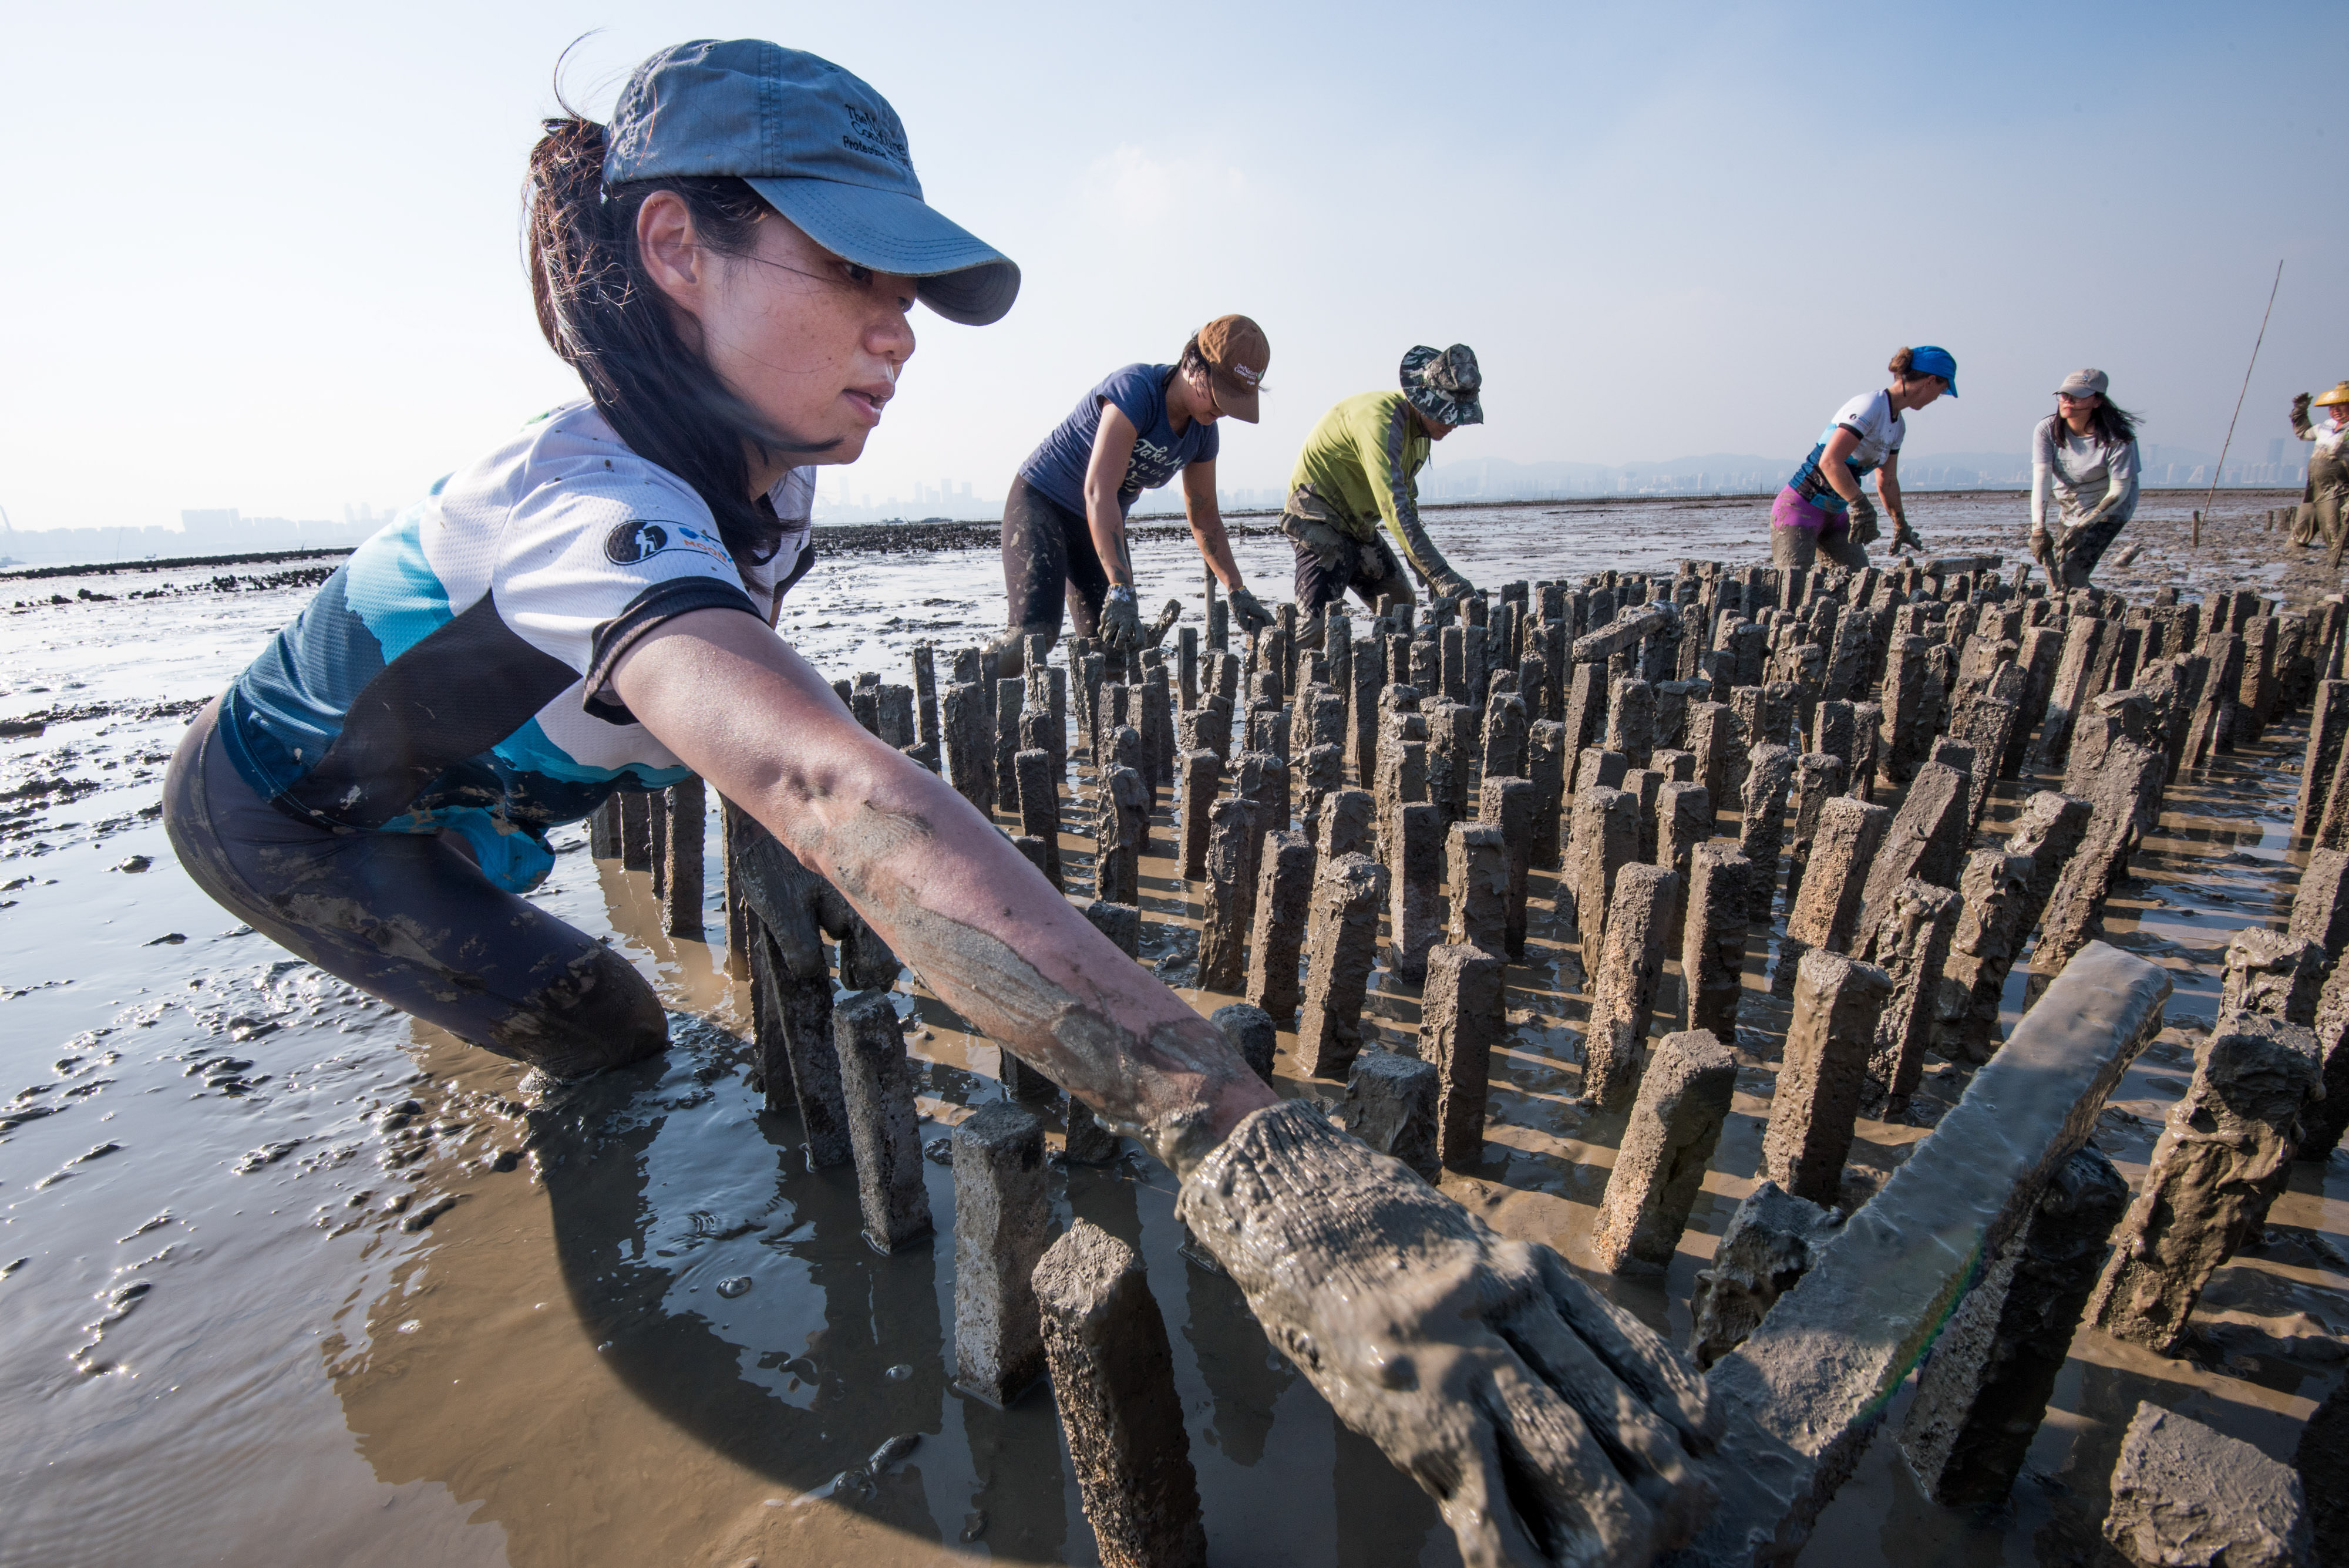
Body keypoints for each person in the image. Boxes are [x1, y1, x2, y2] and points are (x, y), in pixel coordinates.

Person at [160, 40, 1702, 1556]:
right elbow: (822, 781)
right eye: (853, 272)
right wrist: (1241, 1130)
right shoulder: (580, 501)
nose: (898, 332)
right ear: (676, 245)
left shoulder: (775, 457)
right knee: (615, 1033)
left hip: (482, 808)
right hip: (301, 823)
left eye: (908, 293)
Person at [988, 319, 1274, 676]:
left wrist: (1237, 589)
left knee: (1113, 649)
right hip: (1043, 502)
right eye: (1220, 391)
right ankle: (970, 688)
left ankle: (1097, 734)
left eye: (1235, 398)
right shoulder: (1136, 390)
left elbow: (1204, 517)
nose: (1223, 408)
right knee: (1034, 636)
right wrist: (1122, 587)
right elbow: (1099, 490)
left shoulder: (1203, 434)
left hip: (1097, 527)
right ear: (1192, 363)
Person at [1281, 344, 1482, 624]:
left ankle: (1387, 667)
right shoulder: (1382, 420)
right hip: (1316, 518)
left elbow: (1408, 503)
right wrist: (1441, 575)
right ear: (1425, 400)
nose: (1455, 424)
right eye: (1450, 413)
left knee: (1401, 602)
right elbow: (1394, 506)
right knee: (1316, 623)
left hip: (1358, 528)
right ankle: (1290, 664)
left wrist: (1423, 568)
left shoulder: (1422, 438)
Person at [1772, 346, 1954, 570]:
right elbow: (1829, 462)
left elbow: (1887, 481)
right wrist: (1861, 506)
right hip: (1800, 508)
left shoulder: (1897, 427)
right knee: (1793, 589)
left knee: (1861, 581)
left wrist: (1900, 525)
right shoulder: (1870, 406)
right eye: (1942, 390)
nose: (1938, 398)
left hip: (1836, 516)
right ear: (1930, 381)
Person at [2028, 369, 2141, 587]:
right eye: (2064, 395)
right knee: (2059, 575)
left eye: (2078, 396)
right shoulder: (2046, 430)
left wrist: (2082, 528)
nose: (2068, 401)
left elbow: (2119, 491)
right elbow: (2041, 478)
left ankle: (2094, 616)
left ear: (2097, 401)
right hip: (2071, 505)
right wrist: (2038, 531)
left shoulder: (2119, 438)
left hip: (2109, 510)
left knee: (2073, 573)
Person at [2291, 381, 2349, 564]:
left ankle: (2337, 563)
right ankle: (2295, 558)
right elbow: (2304, 433)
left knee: (2334, 532)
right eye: (2332, 407)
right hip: (2314, 487)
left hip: (2337, 489)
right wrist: (2300, 411)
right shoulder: (2326, 426)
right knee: (2301, 527)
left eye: (2341, 406)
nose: (2336, 411)